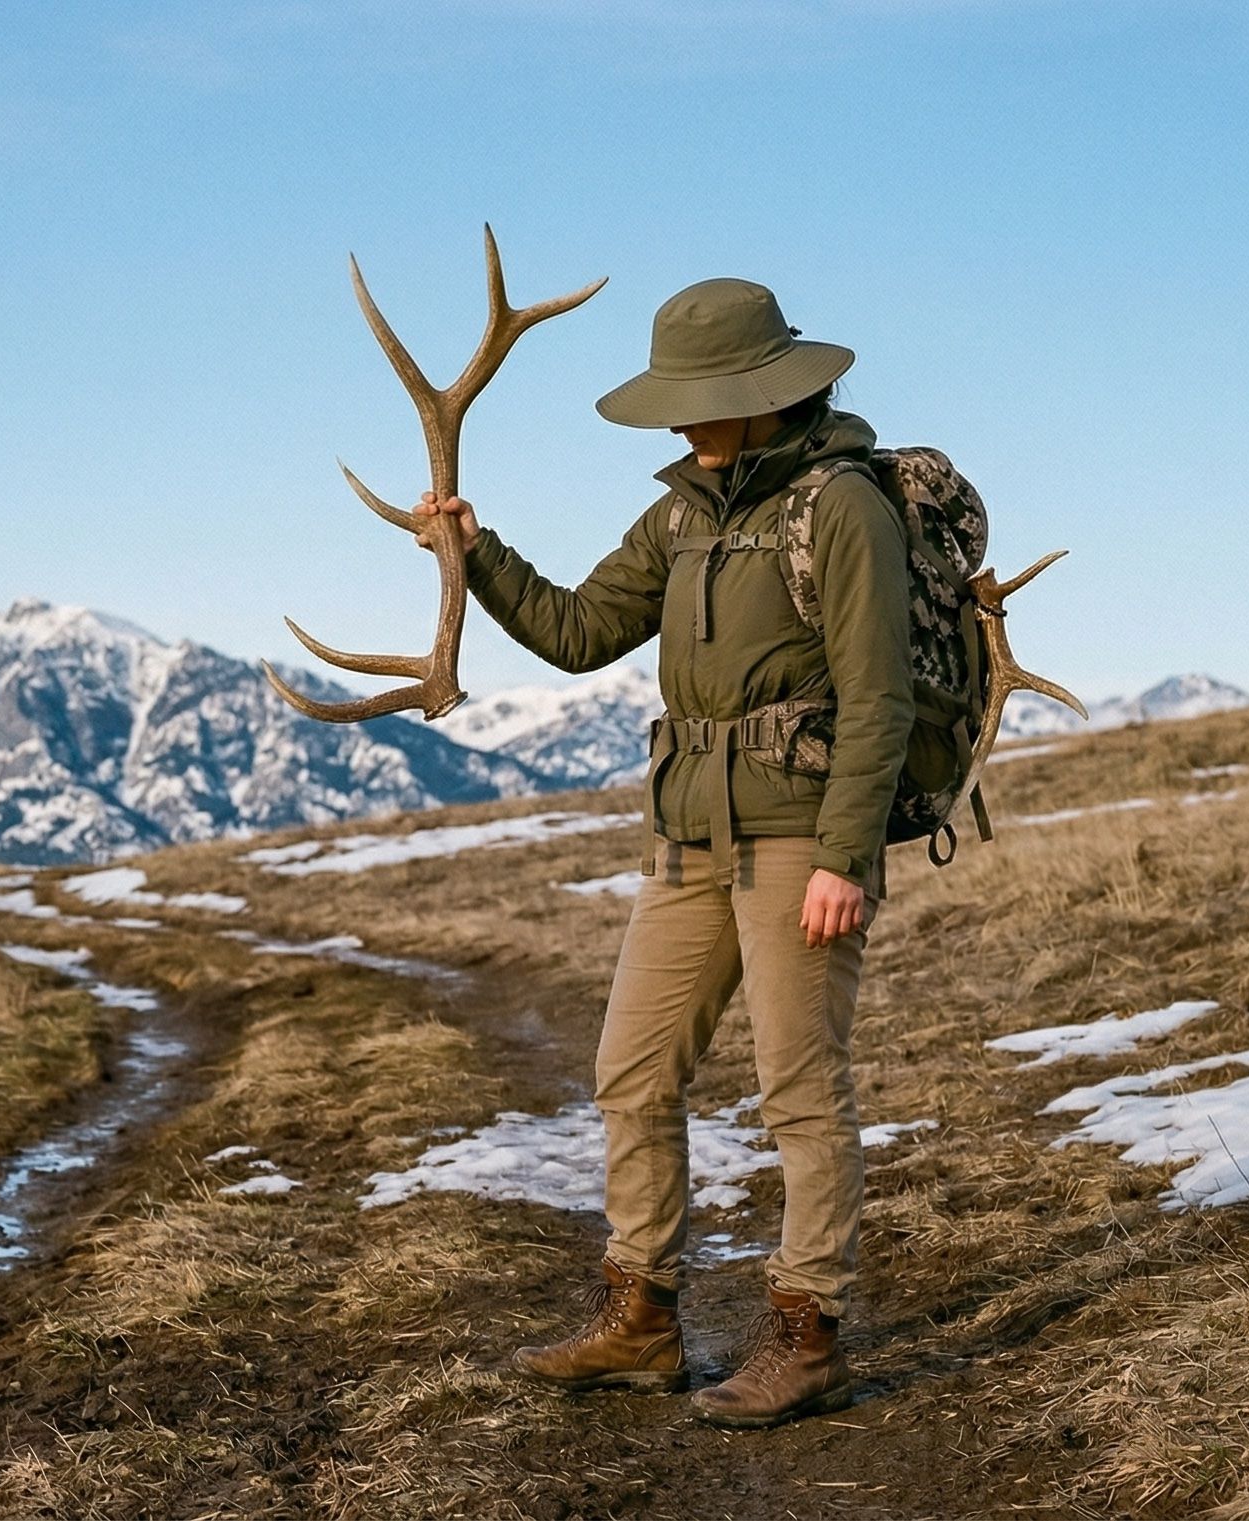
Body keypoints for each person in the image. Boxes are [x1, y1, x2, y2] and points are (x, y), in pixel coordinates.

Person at [413, 277, 913, 1428]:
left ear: (761, 392)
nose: (681, 421)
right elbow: (581, 633)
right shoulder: (681, 513)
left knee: (799, 1093)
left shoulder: (844, 508)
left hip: (799, 839)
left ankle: (809, 1334)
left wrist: (847, 855)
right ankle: (640, 1325)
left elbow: (878, 698)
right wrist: (477, 554)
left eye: (698, 399)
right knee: (631, 1075)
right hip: (687, 838)